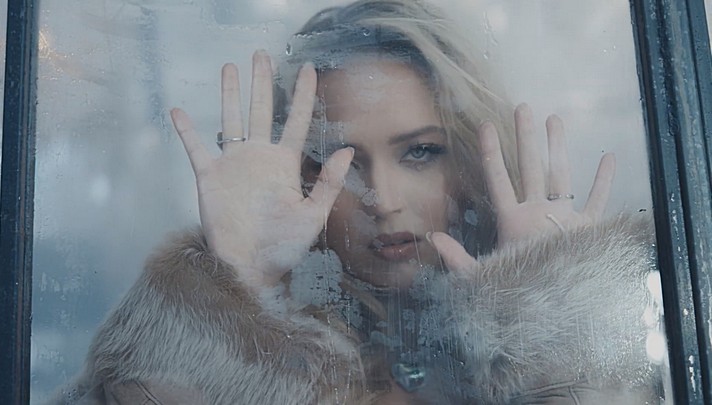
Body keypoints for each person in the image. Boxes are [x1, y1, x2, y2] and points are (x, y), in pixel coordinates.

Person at [53, 0, 663, 403]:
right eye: (340, 164)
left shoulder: (605, 328)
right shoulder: (268, 338)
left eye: (420, 152)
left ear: (470, 163)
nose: (383, 200)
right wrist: (234, 288)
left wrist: (551, 317)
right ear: (299, 177)